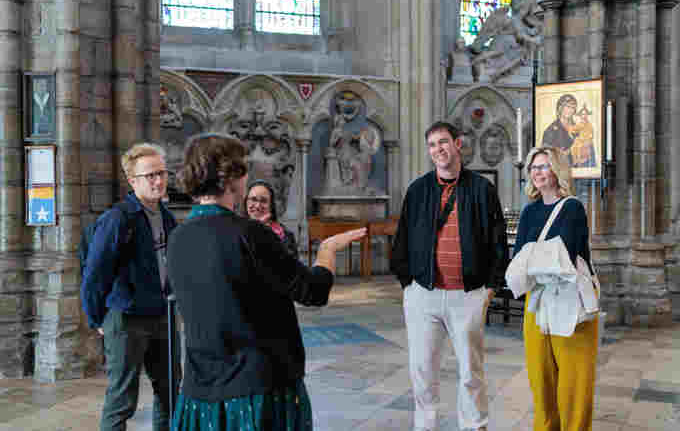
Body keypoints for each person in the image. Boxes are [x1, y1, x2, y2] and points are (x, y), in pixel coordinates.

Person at [167, 133, 366, 431]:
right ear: (230, 178)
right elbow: (312, 291)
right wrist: (326, 251)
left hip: (201, 388)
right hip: (256, 390)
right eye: (243, 167)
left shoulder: (178, 238)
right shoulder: (251, 233)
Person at [390, 121, 510, 431]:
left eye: (443, 142)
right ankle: (425, 427)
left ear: (458, 144)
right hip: (423, 294)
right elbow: (402, 238)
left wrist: (489, 289)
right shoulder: (418, 190)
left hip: (467, 294)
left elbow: (497, 241)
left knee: (471, 373)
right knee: (422, 371)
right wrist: (408, 284)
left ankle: (474, 426)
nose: (438, 150)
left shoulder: (482, 189)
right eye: (432, 145)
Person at [80, 143, 179, 431]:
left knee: (171, 393)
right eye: (150, 175)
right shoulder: (118, 219)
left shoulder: (167, 216)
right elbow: (95, 274)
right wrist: (96, 317)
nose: (158, 181)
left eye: (161, 173)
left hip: (163, 315)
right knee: (122, 399)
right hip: (126, 318)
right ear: (132, 180)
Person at [513, 147, 598, 431]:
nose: (537, 172)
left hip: (568, 299)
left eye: (544, 166)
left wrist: (533, 258)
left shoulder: (572, 207)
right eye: (533, 167)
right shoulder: (529, 211)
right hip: (536, 301)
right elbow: (518, 259)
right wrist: (537, 259)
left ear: (557, 170)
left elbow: (566, 256)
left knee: (574, 384)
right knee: (541, 379)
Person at [245, 179, 299, 259]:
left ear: (271, 206)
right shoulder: (237, 230)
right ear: (246, 202)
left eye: (263, 201)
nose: (257, 205)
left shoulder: (285, 236)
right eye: (253, 199)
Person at [541, 94, 597, 168]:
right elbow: (546, 157)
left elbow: (590, 151)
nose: (570, 110)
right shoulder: (551, 131)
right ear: (560, 108)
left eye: (573, 108)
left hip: (580, 171)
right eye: (567, 107)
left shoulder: (580, 128)